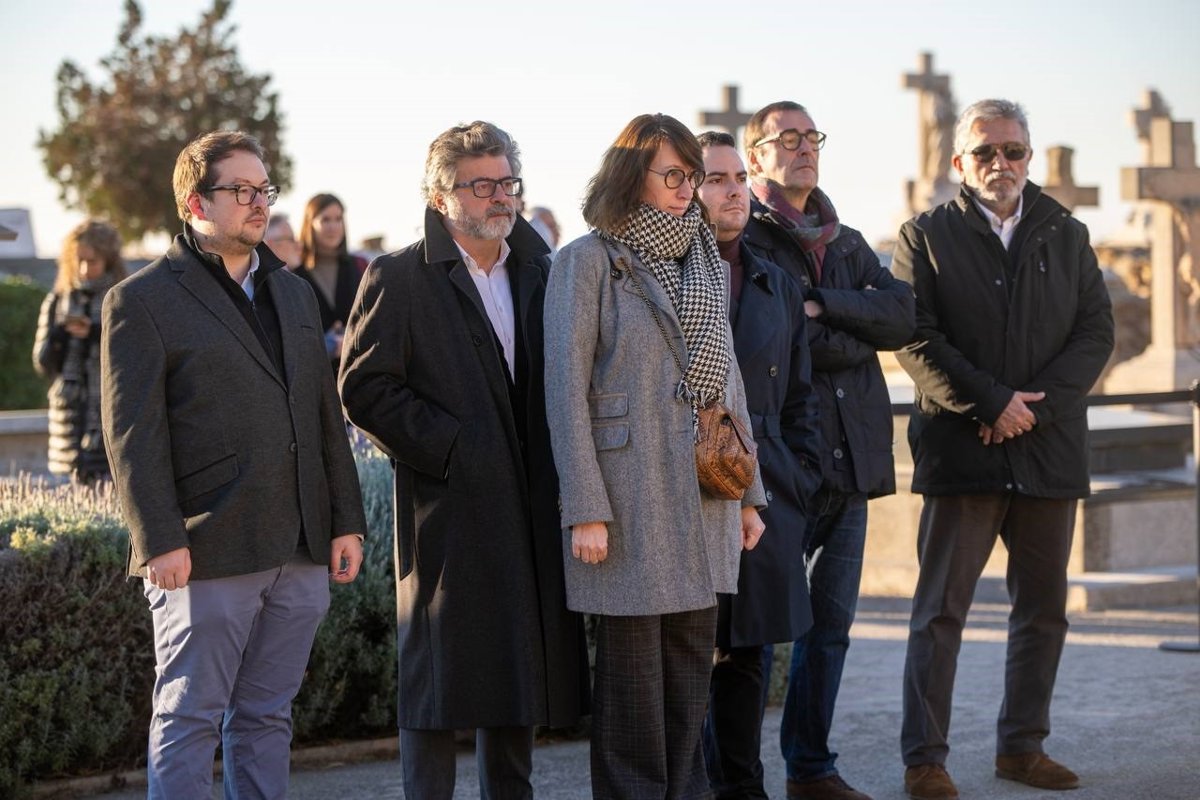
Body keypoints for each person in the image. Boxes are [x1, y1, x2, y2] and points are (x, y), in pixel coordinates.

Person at [101, 130, 366, 799]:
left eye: (263, 189)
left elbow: (323, 415)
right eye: (240, 190)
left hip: (300, 544)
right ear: (196, 202)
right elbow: (131, 435)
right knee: (189, 716)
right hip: (204, 546)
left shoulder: (294, 293)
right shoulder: (141, 300)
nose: (258, 203)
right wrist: (158, 538)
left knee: (267, 716)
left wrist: (346, 520)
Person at [338, 120, 588, 800]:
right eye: (482, 186)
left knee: (517, 669)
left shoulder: (541, 271)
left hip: (530, 506)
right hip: (446, 508)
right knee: (436, 678)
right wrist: (456, 447)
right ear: (440, 196)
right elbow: (364, 389)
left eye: (507, 182)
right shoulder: (398, 275)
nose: (500, 197)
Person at [892, 99, 1114, 800]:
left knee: (1044, 612)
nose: (1001, 163)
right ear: (961, 161)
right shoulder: (925, 235)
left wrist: (1028, 414)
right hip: (963, 453)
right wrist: (991, 404)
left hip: (1047, 452)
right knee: (940, 614)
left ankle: (1022, 749)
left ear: (1028, 157)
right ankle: (925, 760)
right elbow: (915, 338)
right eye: (985, 151)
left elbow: (1095, 334)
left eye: (1013, 150)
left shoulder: (1067, 233)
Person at [544, 113, 767, 798]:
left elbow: (728, 381)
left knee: (689, 680)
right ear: (631, 174)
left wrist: (748, 495)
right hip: (627, 493)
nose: (686, 189)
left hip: (703, 492)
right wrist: (585, 506)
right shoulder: (587, 260)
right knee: (633, 689)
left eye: (691, 176)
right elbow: (565, 388)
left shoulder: (703, 258)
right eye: (673, 174)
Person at [742, 101, 915, 800]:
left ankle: (810, 770)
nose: (803, 147)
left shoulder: (847, 241)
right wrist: (845, 326)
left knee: (832, 628)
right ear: (756, 156)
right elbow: (776, 337)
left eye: (810, 136)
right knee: (754, 633)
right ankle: (736, 780)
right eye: (786, 138)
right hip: (786, 465)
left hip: (854, 463)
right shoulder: (747, 239)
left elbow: (902, 315)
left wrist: (823, 304)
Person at [695, 131, 822, 799]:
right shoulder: (663, 279)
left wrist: (797, 473)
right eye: (716, 178)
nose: (734, 190)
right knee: (692, 652)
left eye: (740, 177)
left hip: (766, 481)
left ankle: (744, 789)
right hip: (689, 482)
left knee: (749, 651)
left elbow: (801, 392)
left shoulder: (775, 282)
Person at [33, 219, 125, 483]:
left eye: (92, 261)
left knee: (109, 493)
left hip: (109, 415)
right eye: (79, 260)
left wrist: (95, 333)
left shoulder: (122, 299)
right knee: (71, 497)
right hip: (68, 422)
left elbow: (134, 358)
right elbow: (42, 362)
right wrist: (60, 335)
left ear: (108, 260)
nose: (85, 269)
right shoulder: (57, 301)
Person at [297, 193, 365, 364]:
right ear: (310, 224)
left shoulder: (361, 266)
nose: (333, 227)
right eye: (325, 220)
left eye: (338, 219)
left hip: (358, 369)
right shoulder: (294, 272)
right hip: (314, 372)